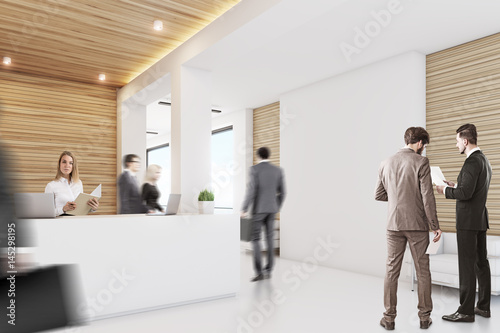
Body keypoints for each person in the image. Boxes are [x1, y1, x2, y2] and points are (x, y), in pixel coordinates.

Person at [375, 127, 442, 330]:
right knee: (422, 271)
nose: (424, 149)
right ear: (420, 143)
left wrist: (398, 197)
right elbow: (427, 198)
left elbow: (379, 194)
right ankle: (424, 318)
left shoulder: (385, 162)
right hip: (416, 225)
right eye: (424, 145)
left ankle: (388, 318)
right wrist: (435, 226)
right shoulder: (421, 162)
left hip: (393, 224)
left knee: (391, 271)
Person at [437, 124, 492, 322]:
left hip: (468, 221)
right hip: (480, 220)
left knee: (467, 266)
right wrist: (456, 185)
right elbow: (471, 189)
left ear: (465, 141)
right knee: (481, 263)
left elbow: (465, 194)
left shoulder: (471, 162)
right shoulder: (484, 160)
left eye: (457, 140)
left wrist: (444, 190)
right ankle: (483, 307)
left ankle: (466, 311)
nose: (456, 144)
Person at [241, 147, 286, 282]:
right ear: (269, 155)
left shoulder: (254, 169)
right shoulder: (278, 170)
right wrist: (276, 206)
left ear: (258, 156)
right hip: (272, 209)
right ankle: (269, 270)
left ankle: (259, 272)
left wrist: (244, 208)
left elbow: (251, 191)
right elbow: (283, 192)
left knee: (255, 239)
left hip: (258, 210)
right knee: (270, 239)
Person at [45, 151, 99, 216]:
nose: (67, 165)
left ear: (73, 166)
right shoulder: (51, 186)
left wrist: (93, 208)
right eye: (64, 162)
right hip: (60, 223)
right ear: (59, 164)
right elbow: (47, 212)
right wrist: (63, 209)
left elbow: (81, 208)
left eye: (70, 163)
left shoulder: (78, 183)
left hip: (77, 221)